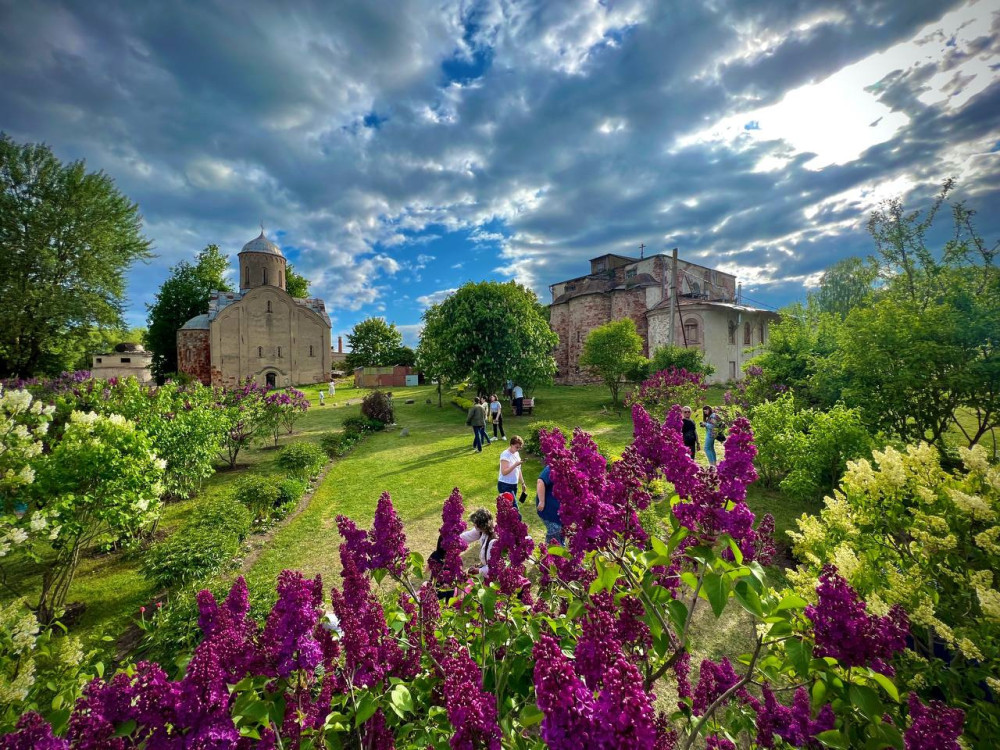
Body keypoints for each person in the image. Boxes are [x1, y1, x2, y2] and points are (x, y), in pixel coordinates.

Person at [460, 508, 498, 576]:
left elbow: (494, 566)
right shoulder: (482, 530)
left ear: (482, 525)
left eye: (476, 524)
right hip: (484, 568)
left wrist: (479, 570)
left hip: (492, 576)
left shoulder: (493, 541)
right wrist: (454, 539)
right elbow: (468, 536)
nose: (474, 525)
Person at [535, 461, 563, 545]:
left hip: (561, 512)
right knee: (554, 532)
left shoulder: (569, 471)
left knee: (561, 532)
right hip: (549, 509)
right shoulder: (552, 468)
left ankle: (559, 549)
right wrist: (541, 501)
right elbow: (540, 481)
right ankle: (550, 555)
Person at [498, 436, 527, 504]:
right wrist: (515, 465)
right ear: (511, 444)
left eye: (519, 447)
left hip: (514, 485)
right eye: (517, 447)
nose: (518, 449)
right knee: (514, 508)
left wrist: (523, 483)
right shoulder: (505, 454)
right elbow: (504, 472)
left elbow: (518, 469)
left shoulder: (516, 454)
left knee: (508, 508)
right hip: (505, 485)